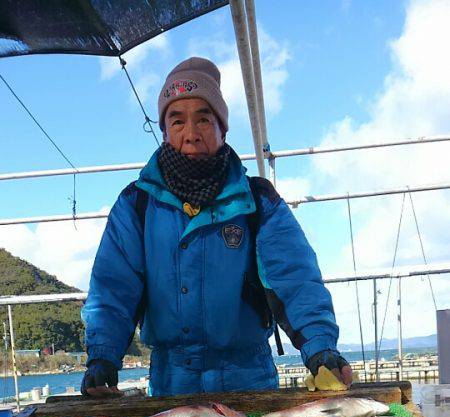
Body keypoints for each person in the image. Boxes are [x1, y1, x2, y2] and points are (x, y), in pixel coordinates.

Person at [81, 57, 353, 398]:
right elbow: (112, 289)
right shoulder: (136, 204)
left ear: (222, 128)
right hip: (170, 386)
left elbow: (295, 281)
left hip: (250, 380)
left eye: (204, 119)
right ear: (164, 131)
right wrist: (102, 357)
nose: (191, 135)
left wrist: (320, 347)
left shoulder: (258, 200)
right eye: (177, 121)